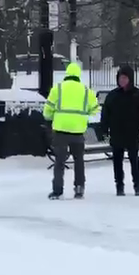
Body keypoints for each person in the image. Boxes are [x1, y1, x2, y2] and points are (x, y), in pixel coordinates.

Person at [44, 62, 100, 200]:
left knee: (60, 162)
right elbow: (96, 111)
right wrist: (84, 118)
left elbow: (47, 111)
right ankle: (79, 188)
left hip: (61, 130)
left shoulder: (58, 89)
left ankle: (57, 190)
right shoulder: (87, 91)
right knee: (78, 161)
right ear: (78, 75)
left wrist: (51, 118)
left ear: (67, 74)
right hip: (78, 131)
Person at [100, 65, 139, 196]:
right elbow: (105, 114)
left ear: (130, 79)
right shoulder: (112, 96)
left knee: (134, 160)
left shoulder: (138, 95)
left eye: (124, 78)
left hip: (132, 133)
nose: (122, 81)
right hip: (116, 133)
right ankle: (119, 186)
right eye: (120, 78)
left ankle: (137, 186)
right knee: (117, 161)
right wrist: (104, 129)